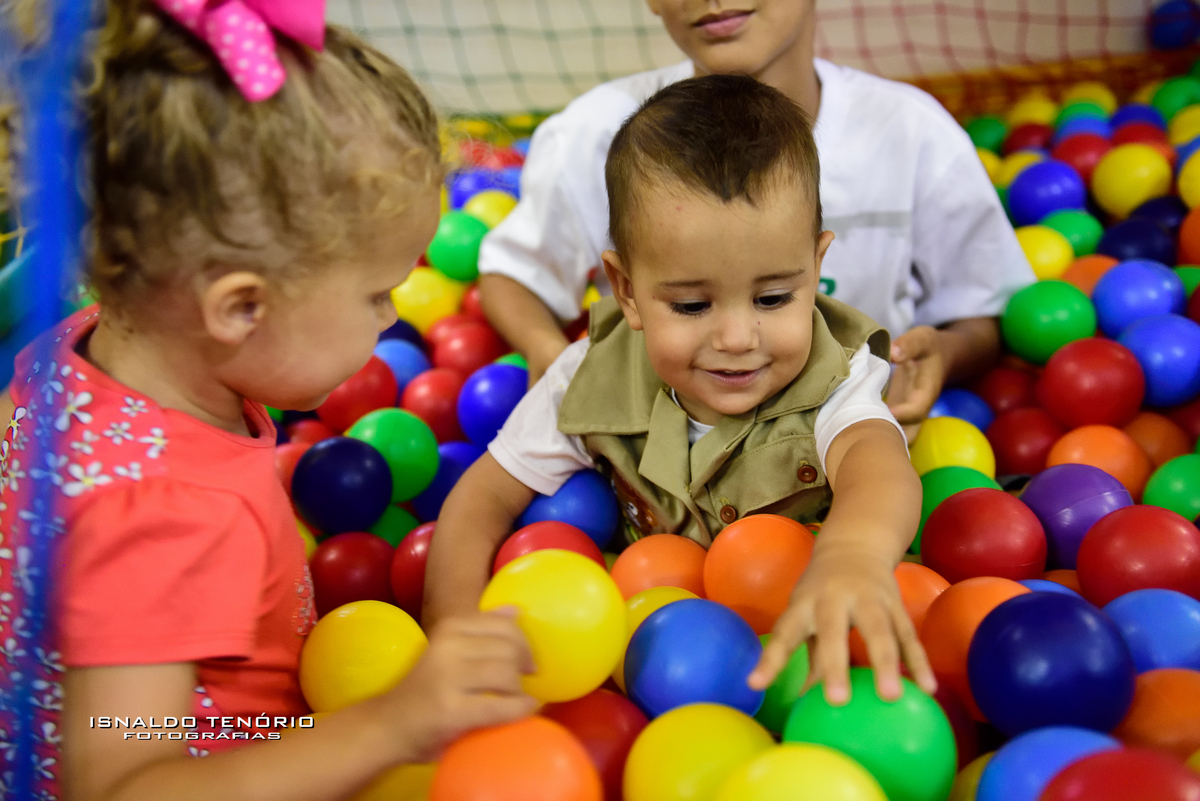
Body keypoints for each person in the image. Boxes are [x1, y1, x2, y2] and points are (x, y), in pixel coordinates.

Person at [0, 3, 536, 799]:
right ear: (240, 309)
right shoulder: (171, 515)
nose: (395, 317)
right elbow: (121, 781)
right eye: (376, 294)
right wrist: (388, 724)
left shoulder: (73, 351)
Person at [426, 75, 938, 708]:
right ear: (627, 290)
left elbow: (877, 468)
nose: (735, 336)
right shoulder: (590, 375)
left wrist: (854, 556)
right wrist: (450, 634)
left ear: (817, 266)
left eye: (774, 298)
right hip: (635, 656)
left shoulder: (835, 374)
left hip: (804, 660)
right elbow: (480, 499)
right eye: (692, 305)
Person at [476, 0, 1033, 429]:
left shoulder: (911, 131)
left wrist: (944, 355)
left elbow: (981, 314)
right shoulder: (596, 134)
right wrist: (553, 362)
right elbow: (513, 273)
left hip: (865, 442)